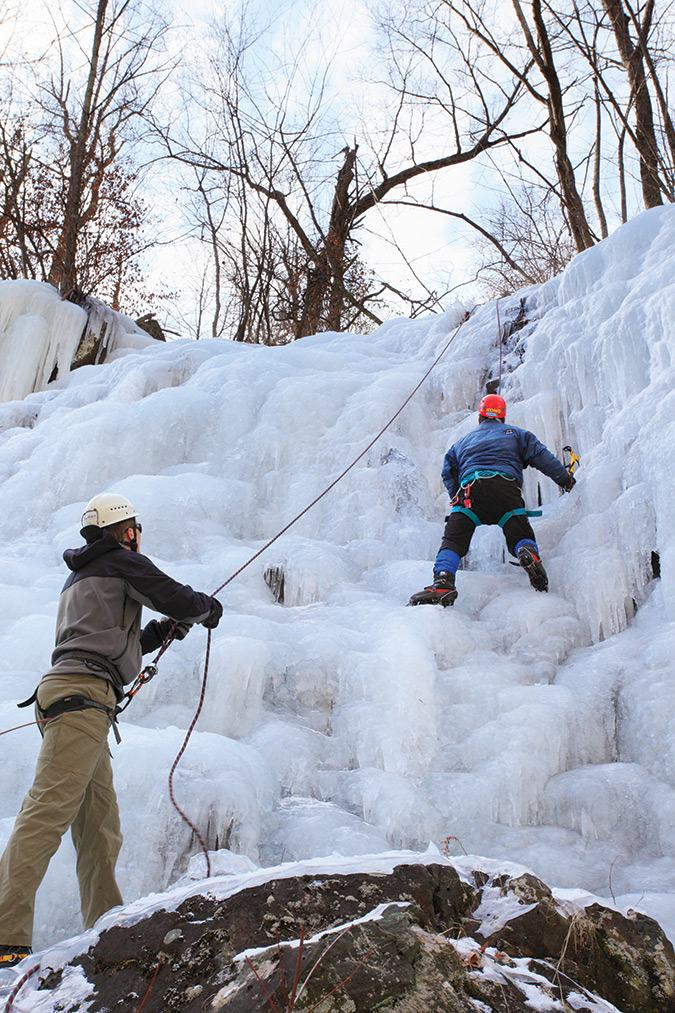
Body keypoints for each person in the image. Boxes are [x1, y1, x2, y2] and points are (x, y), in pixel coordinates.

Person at [0, 493, 223, 967]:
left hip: (72, 698)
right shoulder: (123, 562)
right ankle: (4, 937)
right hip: (82, 703)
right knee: (46, 814)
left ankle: (104, 925)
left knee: (99, 824)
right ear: (127, 530)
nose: (139, 538)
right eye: (137, 530)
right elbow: (176, 596)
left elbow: (108, 643)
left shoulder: (80, 576)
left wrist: (158, 634)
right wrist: (206, 610)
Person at [409, 394, 575, 606]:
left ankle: (443, 583)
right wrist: (566, 480)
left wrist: (457, 502)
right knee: (518, 532)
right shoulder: (518, 434)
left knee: (453, 540)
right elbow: (543, 457)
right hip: (505, 489)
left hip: (469, 493)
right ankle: (527, 552)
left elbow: (448, 472)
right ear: (503, 417)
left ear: (480, 417)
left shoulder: (461, 442)